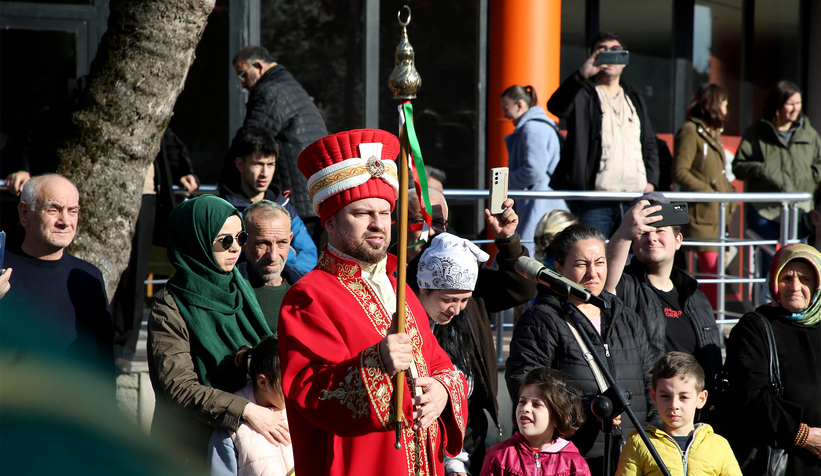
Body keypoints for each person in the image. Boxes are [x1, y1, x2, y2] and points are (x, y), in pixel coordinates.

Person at [278, 128, 468, 475]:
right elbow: (309, 392)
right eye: (362, 213)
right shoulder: (308, 296)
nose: (378, 224)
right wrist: (377, 363)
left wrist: (442, 389)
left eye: (384, 212)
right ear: (330, 221)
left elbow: (439, 363)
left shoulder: (399, 285)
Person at [506, 223, 656, 475]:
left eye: (599, 262)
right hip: (570, 460)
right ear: (559, 269)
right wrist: (589, 408)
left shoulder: (626, 317)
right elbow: (526, 386)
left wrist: (653, 432)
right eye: (581, 264)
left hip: (630, 458)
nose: (592, 273)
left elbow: (651, 381)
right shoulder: (542, 320)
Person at [147, 195, 287, 460]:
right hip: (191, 448)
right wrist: (246, 410)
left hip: (248, 442)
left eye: (240, 238)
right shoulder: (170, 305)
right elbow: (179, 388)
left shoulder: (237, 286)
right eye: (224, 240)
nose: (235, 248)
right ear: (196, 241)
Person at [407, 195, 536, 475]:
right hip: (417, 423)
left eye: (440, 222)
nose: (455, 309)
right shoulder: (391, 287)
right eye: (420, 221)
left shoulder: (464, 268)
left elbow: (520, 288)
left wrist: (508, 242)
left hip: (469, 423)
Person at [605, 194, 723, 394]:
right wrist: (624, 234)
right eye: (643, 232)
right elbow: (603, 286)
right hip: (647, 405)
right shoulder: (624, 286)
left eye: (660, 230)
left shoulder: (695, 297)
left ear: (678, 240)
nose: (652, 238)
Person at [721, 244, 821, 476]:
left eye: (805, 279)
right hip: (783, 461)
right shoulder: (754, 328)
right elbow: (749, 396)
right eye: (786, 278)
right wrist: (802, 435)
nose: (795, 287)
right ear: (774, 282)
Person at [547, 32, 660, 239]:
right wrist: (582, 74)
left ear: (624, 60)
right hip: (594, 200)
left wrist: (651, 181)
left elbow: (649, 142)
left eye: (615, 51)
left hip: (634, 199)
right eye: (602, 51)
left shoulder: (633, 96)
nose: (609, 55)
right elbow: (556, 106)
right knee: (595, 252)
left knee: (630, 256)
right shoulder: (583, 92)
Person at [0, 174, 112, 373]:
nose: (65, 221)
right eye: (53, 210)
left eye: (73, 211)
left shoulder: (88, 276)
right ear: (24, 213)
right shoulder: (2, 270)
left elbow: (104, 358)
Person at [113, 126, 200, 361]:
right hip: (105, 191)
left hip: (144, 195)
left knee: (134, 275)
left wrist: (182, 170)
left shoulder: (151, 116)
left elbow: (168, 140)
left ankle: (122, 350)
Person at [413, 232, 491, 475]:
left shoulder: (456, 327)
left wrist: (455, 460)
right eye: (448, 299)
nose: (456, 310)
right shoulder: (401, 322)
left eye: (464, 300)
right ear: (424, 287)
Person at [233, 46, 328, 231]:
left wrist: (228, 181)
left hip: (293, 201)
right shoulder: (288, 85)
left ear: (258, 66)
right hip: (312, 194)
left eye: (243, 75)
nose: (242, 84)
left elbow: (248, 141)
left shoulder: (269, 90)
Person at [733, 81, 821, 276]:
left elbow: (819, 162)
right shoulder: (756, 132)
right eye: (790, 104)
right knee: (769, 264)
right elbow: (738, 167)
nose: (795, 108)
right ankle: (768, 295)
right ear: (777, 105)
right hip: (766, 210)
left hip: (801, 211)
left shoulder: (809, 133)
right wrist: (762, 170)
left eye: (798, 103)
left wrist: (812, 175)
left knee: (800, 261)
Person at [616, 352, 741, 476]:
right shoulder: (639, 443)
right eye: (665, 396)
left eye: (683, 397)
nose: (674, 405)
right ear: (653, 396)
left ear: (701, 399)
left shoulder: (719, 446)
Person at [672, 83, 737, 308]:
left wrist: (729, 193)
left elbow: (716, 175)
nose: (727, 109)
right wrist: (710, 193)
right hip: (701, 217)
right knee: (711, 276)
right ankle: (708, 322)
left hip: (717, 217)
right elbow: (679, 171)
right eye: (724, 104)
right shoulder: (690, 131)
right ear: (713, 104)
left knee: (714, 276)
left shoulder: (713, 133)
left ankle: (710, 321)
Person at [220, 127, 318, 274]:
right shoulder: (225, 210)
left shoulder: (284, 206)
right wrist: (289, 255)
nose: (264, 173)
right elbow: (227, 260)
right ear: (240, 164)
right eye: (258, 164)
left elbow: (309, 256)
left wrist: (280, 274)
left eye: (270, 164)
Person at [208, 335, 294, 476]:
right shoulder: (230, 427)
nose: (297, 388)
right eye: (287, 381)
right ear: (262, 382)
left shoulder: (303, 412)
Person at [481, 367, 590, 476]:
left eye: (536, 404)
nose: (525, 408)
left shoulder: (574, 464)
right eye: (522, 401)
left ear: (557, 417)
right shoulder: (499, 456)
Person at [501, 84, 567, 256]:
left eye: (506, 108)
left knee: (527, 253)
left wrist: (505, 183)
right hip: (545, 200)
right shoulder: (541, 125)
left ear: (520, 104)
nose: (505, 115)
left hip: (539, 202)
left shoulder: (532, 128)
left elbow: (534, 170)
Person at [236, 200, 302, 332]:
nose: (273, 256)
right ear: (243, 241)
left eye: (282, 243)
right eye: (263, 244)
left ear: (290, 239)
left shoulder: (306, 290)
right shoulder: (228, 290)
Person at [405, 187, 449, 261]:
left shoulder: (458, 266)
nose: (431, 232)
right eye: (420, 221)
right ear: (399, 226)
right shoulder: (385, 266)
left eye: (438, 222)